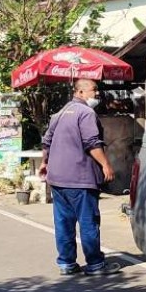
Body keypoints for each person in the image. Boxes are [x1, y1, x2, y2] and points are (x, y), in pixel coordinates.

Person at [40, 78, 118, 278]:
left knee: (63, 222)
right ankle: (95, 264)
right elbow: (92, 142)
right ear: (80, 92)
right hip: (80, 178)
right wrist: (105, 164)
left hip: (57, 178)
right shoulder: (86, 113)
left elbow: (46, 141)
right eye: (94, 90)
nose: (97, 93)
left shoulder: (60, 113)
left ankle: (66, 263)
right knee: (88, 221)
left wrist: (44, 163)